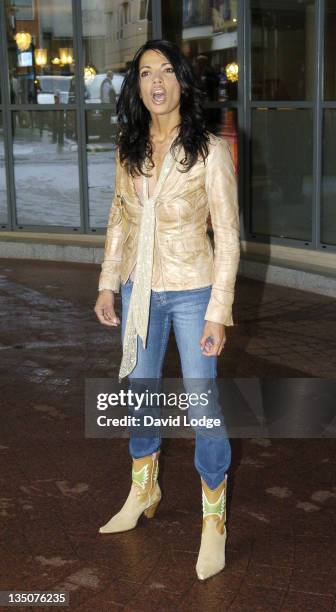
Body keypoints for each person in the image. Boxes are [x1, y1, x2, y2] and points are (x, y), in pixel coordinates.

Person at [94, 39, 240, 581]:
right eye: (145, 73)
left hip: (194, 288)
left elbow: (227, 237)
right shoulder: (128, 146)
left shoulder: (209, 150)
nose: (156, 82)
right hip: (138, 289)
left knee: (204, 405)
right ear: (137, 86)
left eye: (165, 72)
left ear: (181, 81)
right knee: (140, 392)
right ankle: (143, 487)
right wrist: (109, 284)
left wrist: (217, 312)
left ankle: (213, 518)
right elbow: (119, 219)